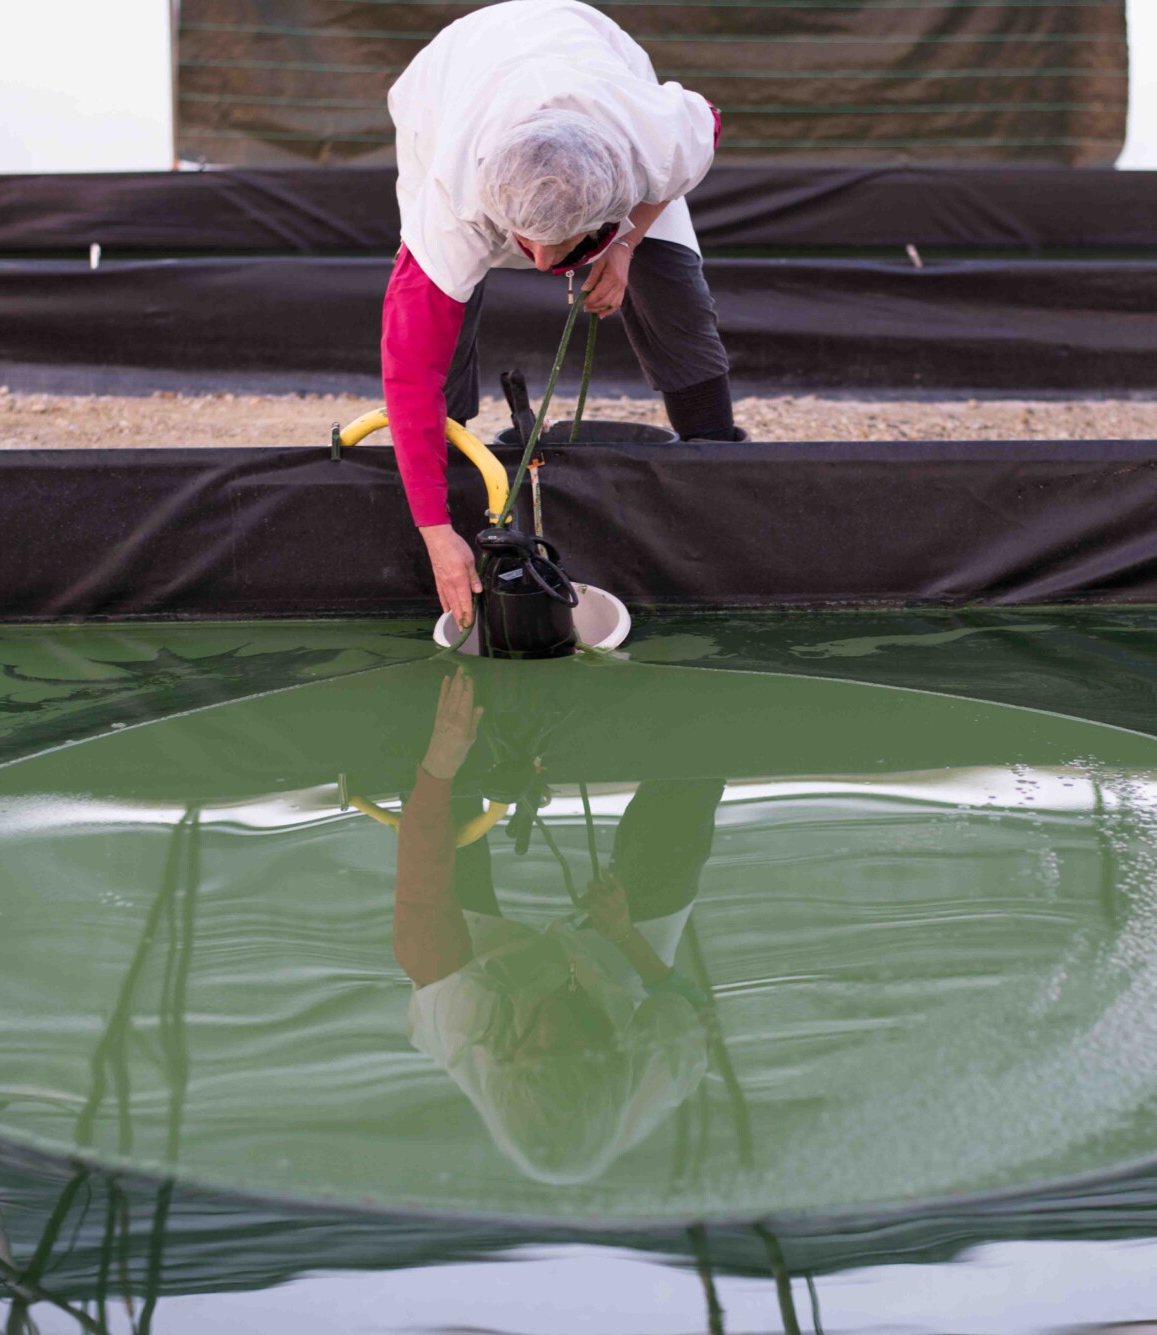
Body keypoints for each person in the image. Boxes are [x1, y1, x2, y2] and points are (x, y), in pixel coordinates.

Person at [383, 0, 743, 629]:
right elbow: (408, 375)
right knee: (446, 323)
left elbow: (707, 124)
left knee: (674, 288)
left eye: (569, 246)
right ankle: (461, 459)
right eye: (528, 243)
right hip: (448, 84)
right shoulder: (453, 205)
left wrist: (626, 246)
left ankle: (715, 464)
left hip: (590, 58)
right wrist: (436, 533)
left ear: (613, 204)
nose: (546, 261)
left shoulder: (654, 139)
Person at [392, 669, 723, 1183]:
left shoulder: (460, 1023)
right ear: (611, 1061)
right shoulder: (657, 1072)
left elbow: (422, 884)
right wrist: (625, 937)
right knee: (684, 811)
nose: (552, 1026)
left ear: (507, 1061)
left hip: (488, 971)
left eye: (539, 1048)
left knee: (438, 785)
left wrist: (439, 763)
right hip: (613, 973)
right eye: (573, 1045)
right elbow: (696, 1010)